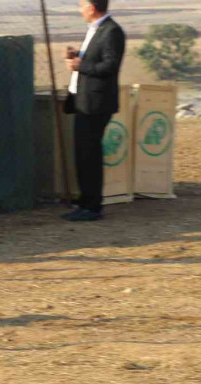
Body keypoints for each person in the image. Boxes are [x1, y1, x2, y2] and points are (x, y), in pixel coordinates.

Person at [62, 0, 125, 222]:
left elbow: (110, 66)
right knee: (83, 153)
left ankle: (92, 206)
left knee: (90, 154)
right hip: (84, 101)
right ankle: (85, 201)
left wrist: (81, 65)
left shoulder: (112, 31)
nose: (79, 10)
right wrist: (78, 54)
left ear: (92, 7)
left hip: (96, 104)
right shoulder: (97, 30)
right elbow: (95, 57)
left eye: (81, 5)